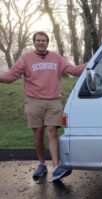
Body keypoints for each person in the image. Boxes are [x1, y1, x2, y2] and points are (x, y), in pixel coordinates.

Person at [0, 31, 87, 181]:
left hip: (53, 101)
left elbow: (73, 70)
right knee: (38, 134)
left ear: (48, 42)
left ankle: (56, 167)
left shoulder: (56, 58)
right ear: (34, 42)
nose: (41, 42)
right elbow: (11, 76)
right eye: (38, 40)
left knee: (52, 132)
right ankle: (41, 164)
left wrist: (94, 61)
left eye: (44, 40)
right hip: (34, 101)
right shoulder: (26, 58)